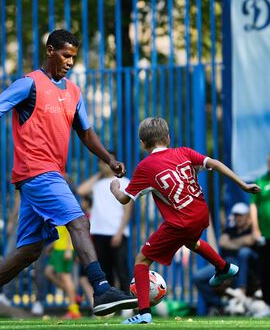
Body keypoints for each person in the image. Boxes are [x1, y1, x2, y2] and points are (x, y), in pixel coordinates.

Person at [0, 29, 137, 326]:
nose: (69, 62)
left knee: (28, 251)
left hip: (47, 175)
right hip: (37, 172)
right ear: (50, 51)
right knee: (78, 221)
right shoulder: (29, 84)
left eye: (73, 57)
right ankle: (101, 287)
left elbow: (86, 133)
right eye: (65, 55)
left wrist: (109, 158)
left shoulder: (73, 92)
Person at [110, 117, 260, 325]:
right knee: (192, 242)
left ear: (142, 143)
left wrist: (114, 188)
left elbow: (124, 199)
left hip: (181, 221)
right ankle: (224, 268)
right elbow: (214, 163)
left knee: (141, 261)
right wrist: (243, 185)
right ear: (168, 138)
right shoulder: (184, 152)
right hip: (200, 213)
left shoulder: (145, 167)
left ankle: (144, 314)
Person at [77, 153, 132, 292]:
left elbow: (127, 210)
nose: (104, 165)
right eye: (101, 162)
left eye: (107, 161)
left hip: (117, 233)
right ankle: (113, 307)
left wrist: (119, 233)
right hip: (99, 233)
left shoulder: (125, 182)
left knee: (122, 271)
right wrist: (99, 175)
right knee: (106, 272)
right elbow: (80, 190)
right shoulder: (97, 183)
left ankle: (130, 306)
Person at [193, 202, 258, 313]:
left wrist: (233, 243)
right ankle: (223, 305)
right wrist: (243, 242)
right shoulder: (230, 229)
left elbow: (252, 239)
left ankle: (240, 292)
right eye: (236, 215)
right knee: (198, 277)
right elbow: (223, 242)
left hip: (246, 267)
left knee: (244, 252)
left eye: (240, 215)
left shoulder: (252, 229)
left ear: (247, 216)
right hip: (226, 264)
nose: (238, 218)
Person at [44, 226, 81, 319]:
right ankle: (74, 295)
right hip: (57, 249)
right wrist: (52, 245)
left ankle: (74, 311)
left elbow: (70, 230)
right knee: (48, 272)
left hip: (64, 249)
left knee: (65, 277)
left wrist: (68, 249)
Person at [251, 154, 270, 307]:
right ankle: (267, 304)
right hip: (266, 235)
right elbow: (253, 206)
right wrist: (256, 230)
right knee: (265, 270)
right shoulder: (261, 181)